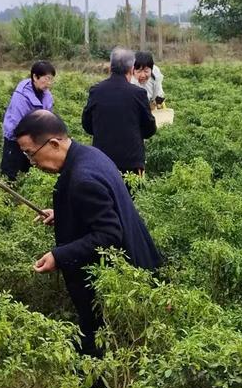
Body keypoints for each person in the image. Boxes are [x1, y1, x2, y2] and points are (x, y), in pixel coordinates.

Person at [14, 109, 161, 358]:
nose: (32, 162)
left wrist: (58, 256)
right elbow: (104, 208)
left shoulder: (83, 179)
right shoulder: (90, 155)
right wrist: (64, 213)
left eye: (31, 153)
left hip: (113, 278)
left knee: (102, 341)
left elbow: (109, 234)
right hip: (138, 260)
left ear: (53, 143)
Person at [82, 47, 156, 176]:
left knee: (105, 195)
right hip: (131, 163)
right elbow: (149, 129)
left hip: (102, 161)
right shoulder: (138, 93)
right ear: (132, 69)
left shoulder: (96, 90)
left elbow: (87, 125)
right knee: (130, 196)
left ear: (110, 67)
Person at [0, 61, 56, 180]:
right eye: (47, 79)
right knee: (10, 172)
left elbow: (48, 116)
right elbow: (18, 125)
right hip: (15, 139)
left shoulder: (47, 95)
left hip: (35, 139)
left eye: (51, 80)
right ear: (35, 77)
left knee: (29, 173)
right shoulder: (21, 96)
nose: (49, 83)